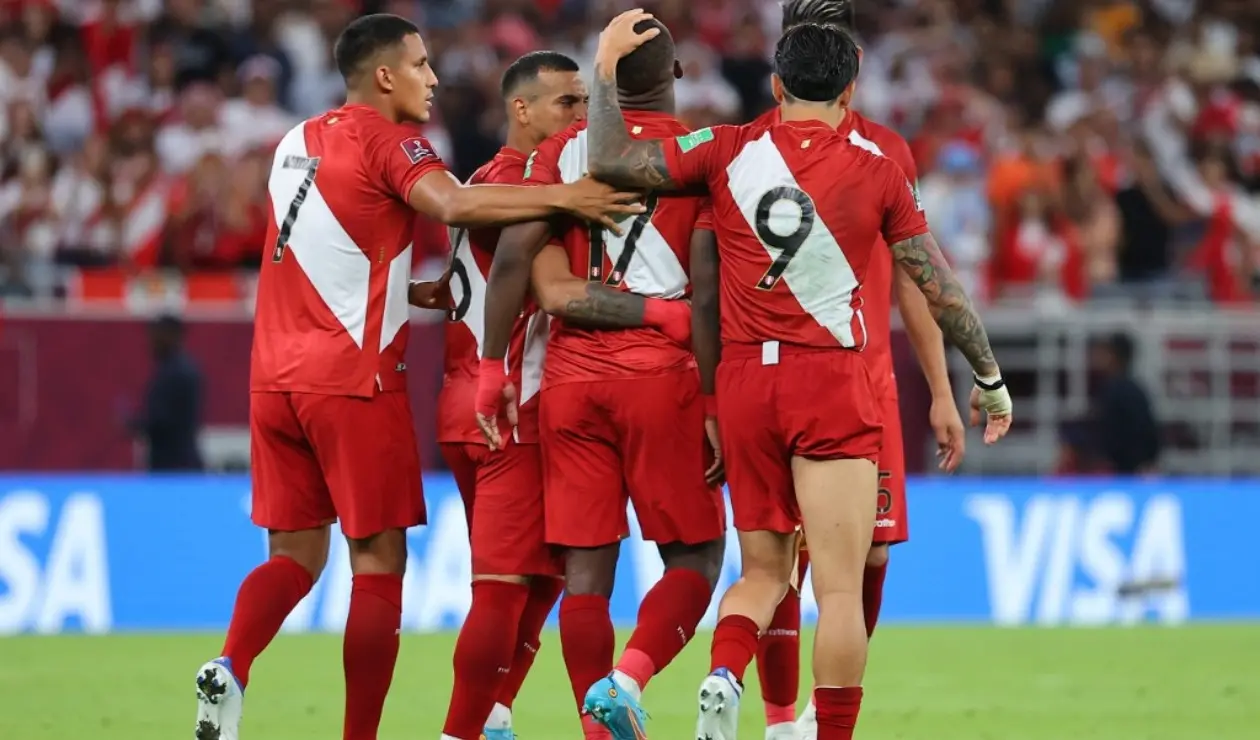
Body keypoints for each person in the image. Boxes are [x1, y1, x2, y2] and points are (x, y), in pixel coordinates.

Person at [193, 14, 645, 740]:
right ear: (384, 76)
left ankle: (230, 663)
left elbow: (330, 251)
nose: (433, 80)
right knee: (382, 564)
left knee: (295, 555)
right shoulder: (392, 139)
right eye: (421, 65)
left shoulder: (292, 142)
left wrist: (420, 290)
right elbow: (455, 204)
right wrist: (572, 199)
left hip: (273, 378)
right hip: (358, 379)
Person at [584, 13, 1013, 740]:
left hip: (749, 385)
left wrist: (602, 69)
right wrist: (988, 377)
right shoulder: (879, 169)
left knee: (760, 574)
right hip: (830, 381)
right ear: (850, 90)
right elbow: (938, 287)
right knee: (839, 590)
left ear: (777, 84)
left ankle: (723, 676)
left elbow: (614, 161)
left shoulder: (724, 150)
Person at [475, 17, 726, 740]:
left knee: (586, 576)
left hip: (571, 378)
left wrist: (492, 366)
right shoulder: (698, 154)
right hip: (663, 374)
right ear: (677, 77)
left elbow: (516, 258)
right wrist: (713, 399)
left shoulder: (561, 149)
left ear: (605, 83)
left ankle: (597, 730)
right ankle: (627, 681)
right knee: (698, 557)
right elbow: (705, 290)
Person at [747, 3, 967, 738]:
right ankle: (783, 721)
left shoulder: (886, 151)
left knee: (868, 553)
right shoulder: (755, 151)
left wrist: (940, 389)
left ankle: (818, 713)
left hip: (863, 374)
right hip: (800, 376)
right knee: (782, 561)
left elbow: (914, 278)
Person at [131, 313, 204, 471]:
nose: (151, 341)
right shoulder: (171, 369)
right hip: (171, 461)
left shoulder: (178, 372)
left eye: (156, 334)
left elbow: (163, 421)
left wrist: (135, 424)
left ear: (172, 335)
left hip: (176, 465)